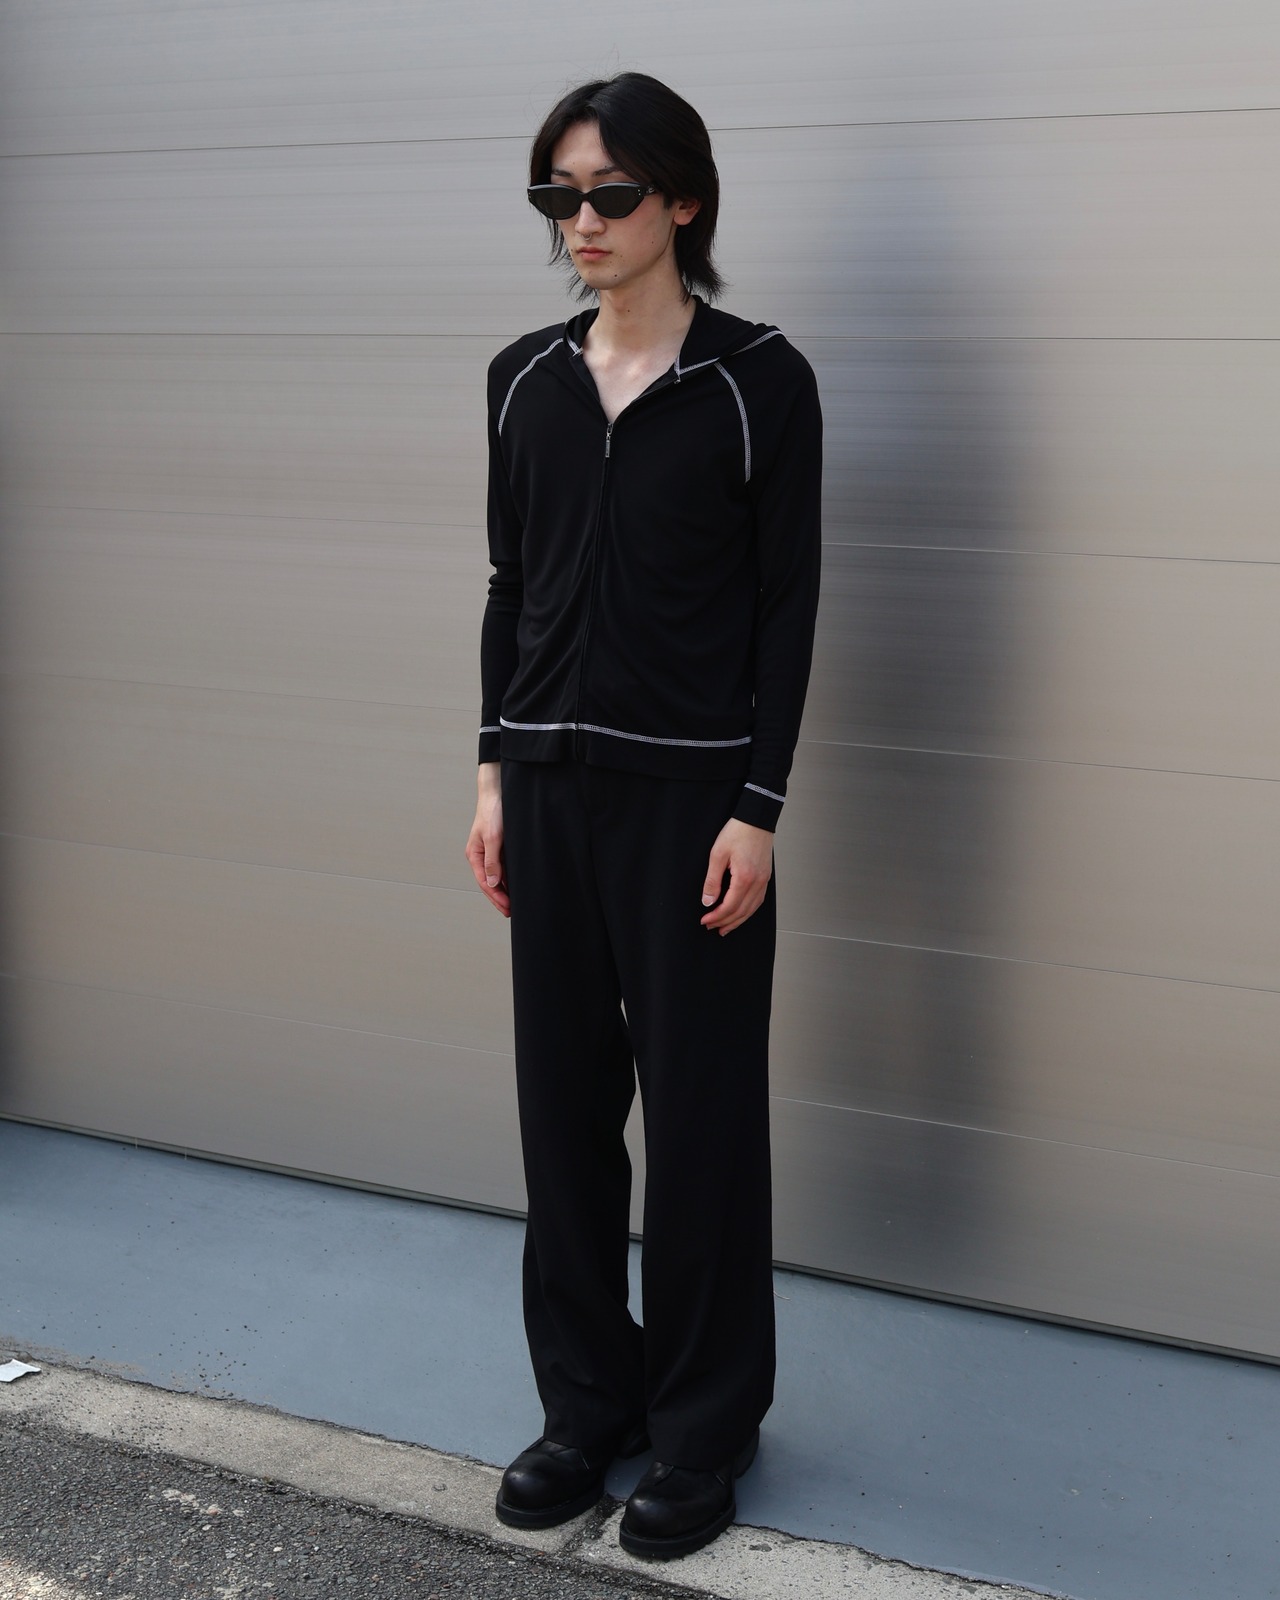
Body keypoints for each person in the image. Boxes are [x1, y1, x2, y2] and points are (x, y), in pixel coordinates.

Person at [464, 71, 822, 1560]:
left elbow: (786, 607)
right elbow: (512, 585)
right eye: (559, 196)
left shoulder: (760, 381)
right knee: (562, 1119)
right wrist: (493, 774)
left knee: (700, 1124)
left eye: (610, 194)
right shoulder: (522, 380)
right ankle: (585, 1406)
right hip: (547, 791)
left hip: (693, 809)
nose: (583, 222)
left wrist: (758, 807)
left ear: (683, 200)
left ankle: (702, 1428)